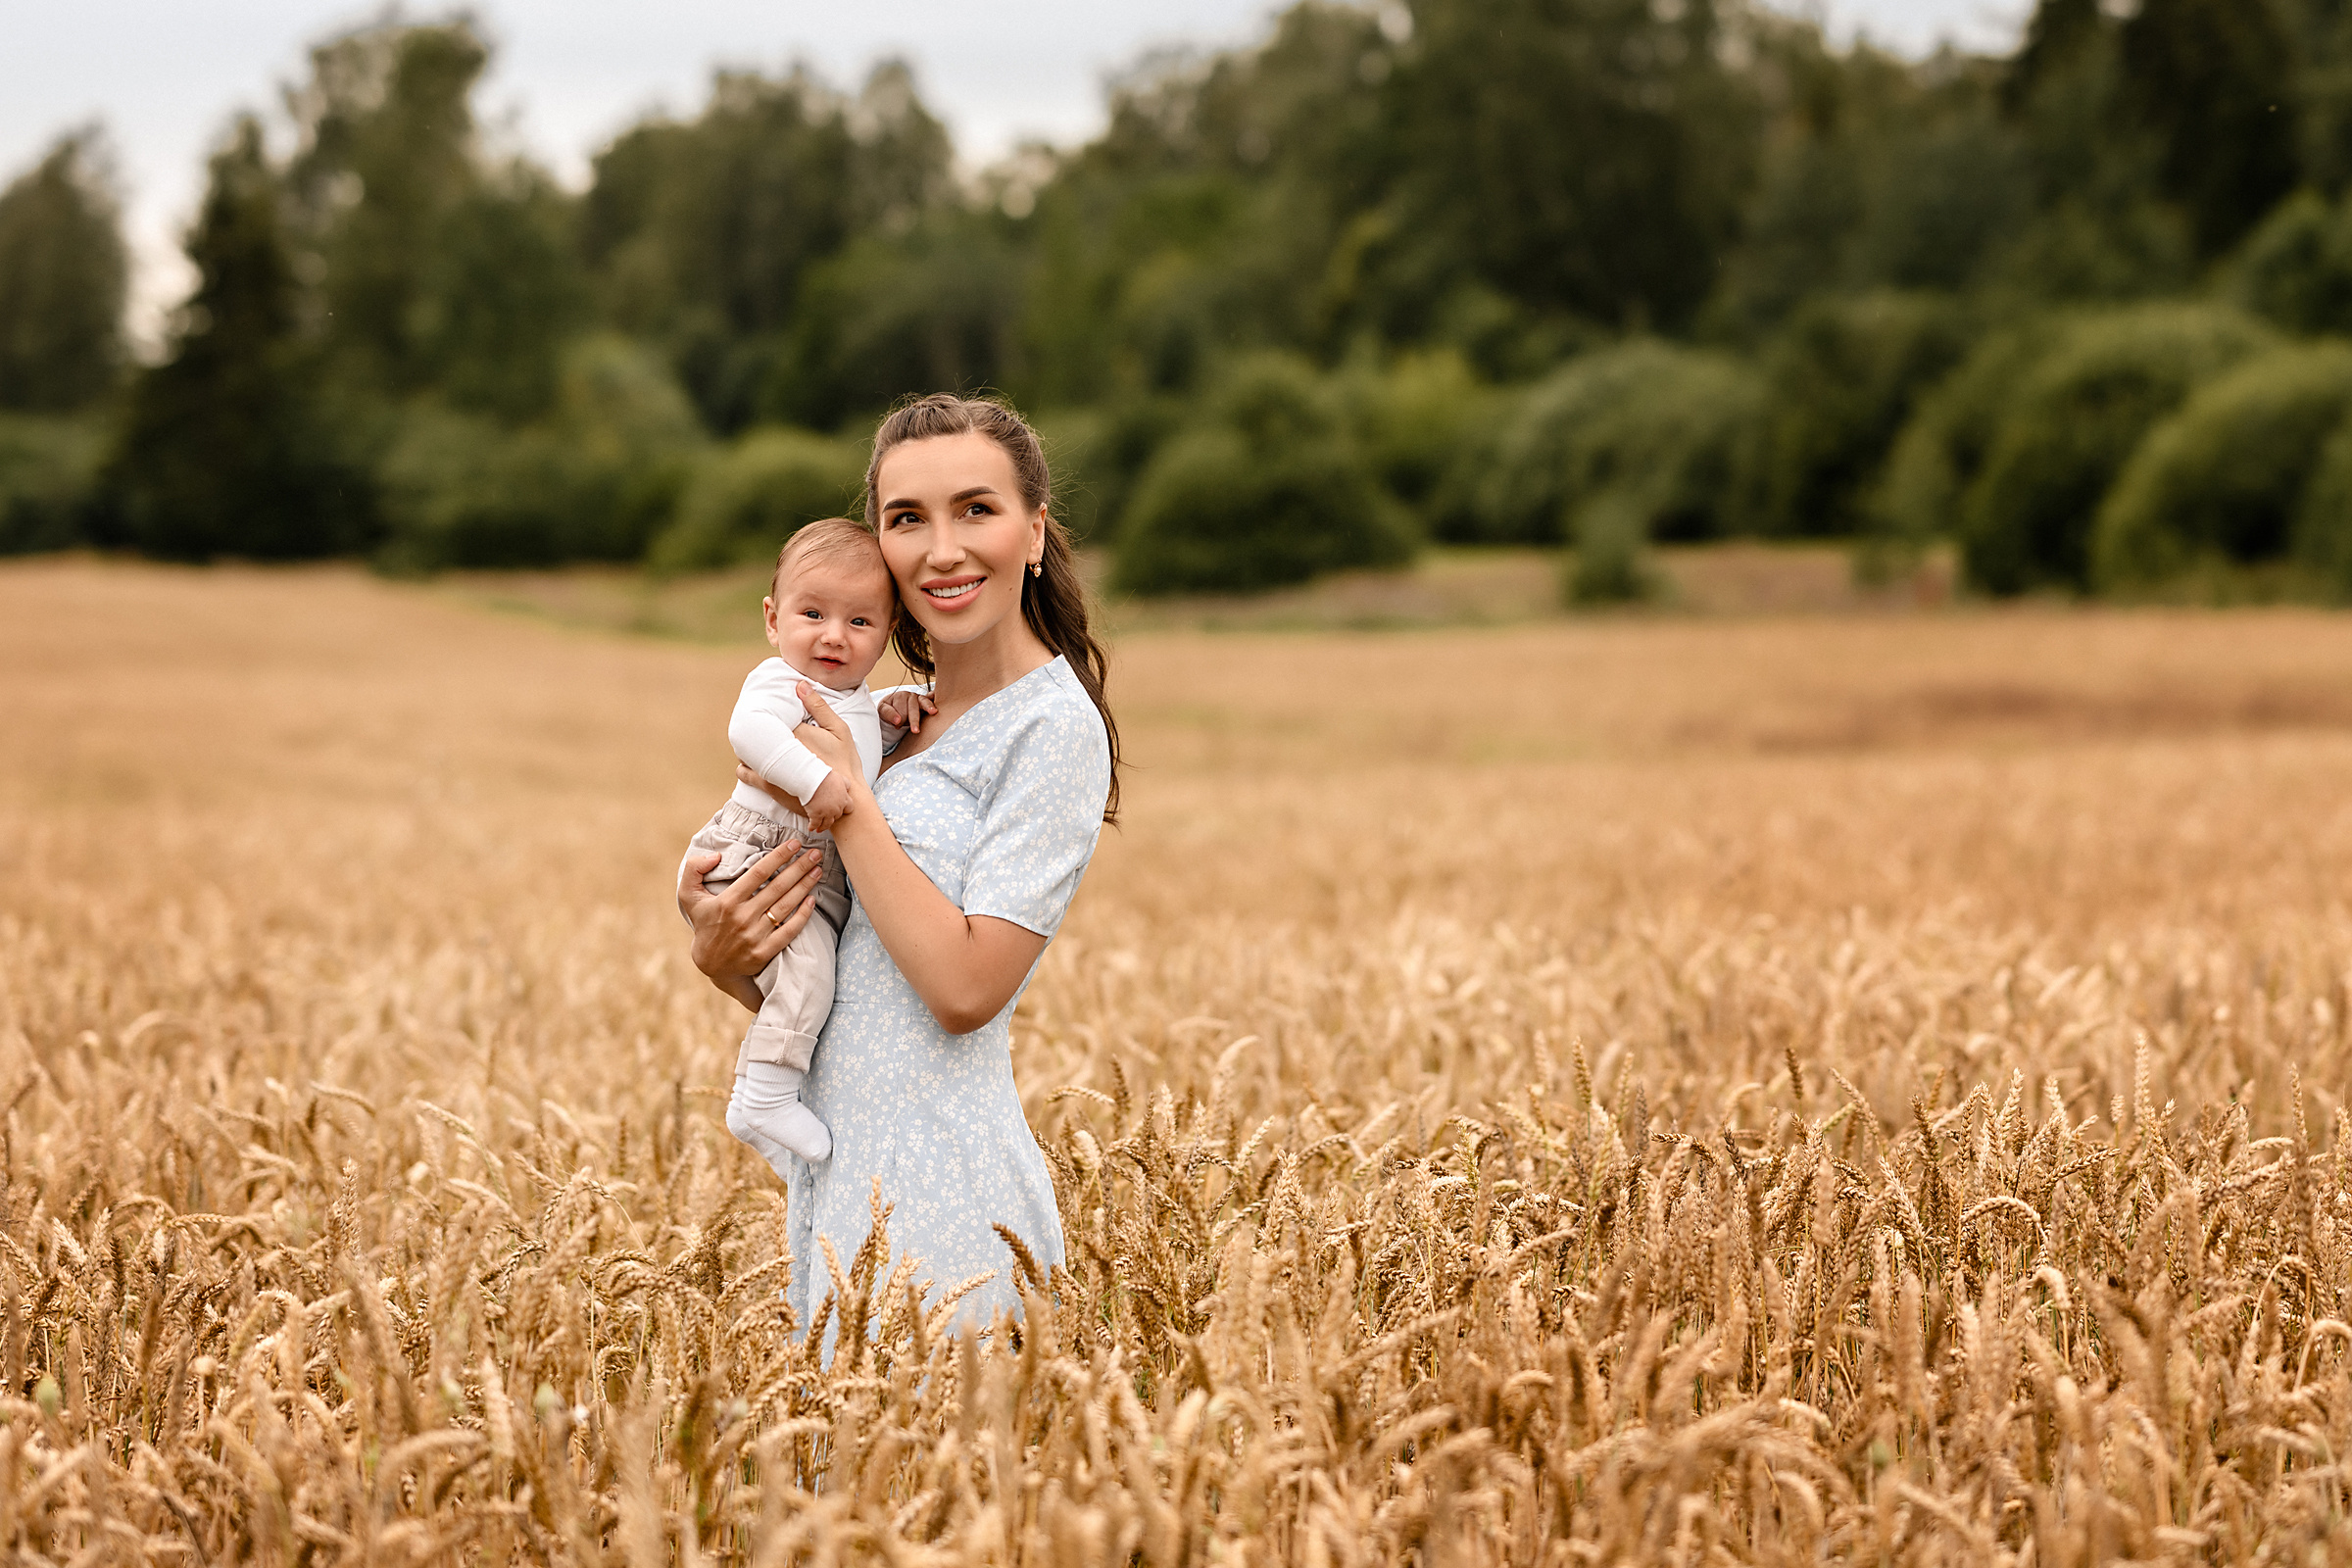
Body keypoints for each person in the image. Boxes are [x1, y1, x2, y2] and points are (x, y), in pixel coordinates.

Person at [677, 393, 1121, 1340]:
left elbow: (963, 990)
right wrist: (727, 959)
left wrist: (846, 801)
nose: (942, 549)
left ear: (1033, 533)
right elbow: (862, 993)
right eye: (908, 518)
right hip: (840, 1184)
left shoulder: (1052, 727)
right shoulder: (889, 719)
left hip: (950, 1205)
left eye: (976, 510)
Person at [677, 518, 926, 1172]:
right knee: (810, 971)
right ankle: (762, 1096)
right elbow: (750, 731)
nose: (834, 635)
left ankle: (767, 1094)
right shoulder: (778, 681)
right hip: (756, 855)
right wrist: (816, 783)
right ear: (772, 618)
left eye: (860, 621)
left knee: (812, 978)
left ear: (889, 631)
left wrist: (892, 718)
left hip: (799, 866)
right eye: (812, 613)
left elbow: (853, 748)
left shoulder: (853, 699)